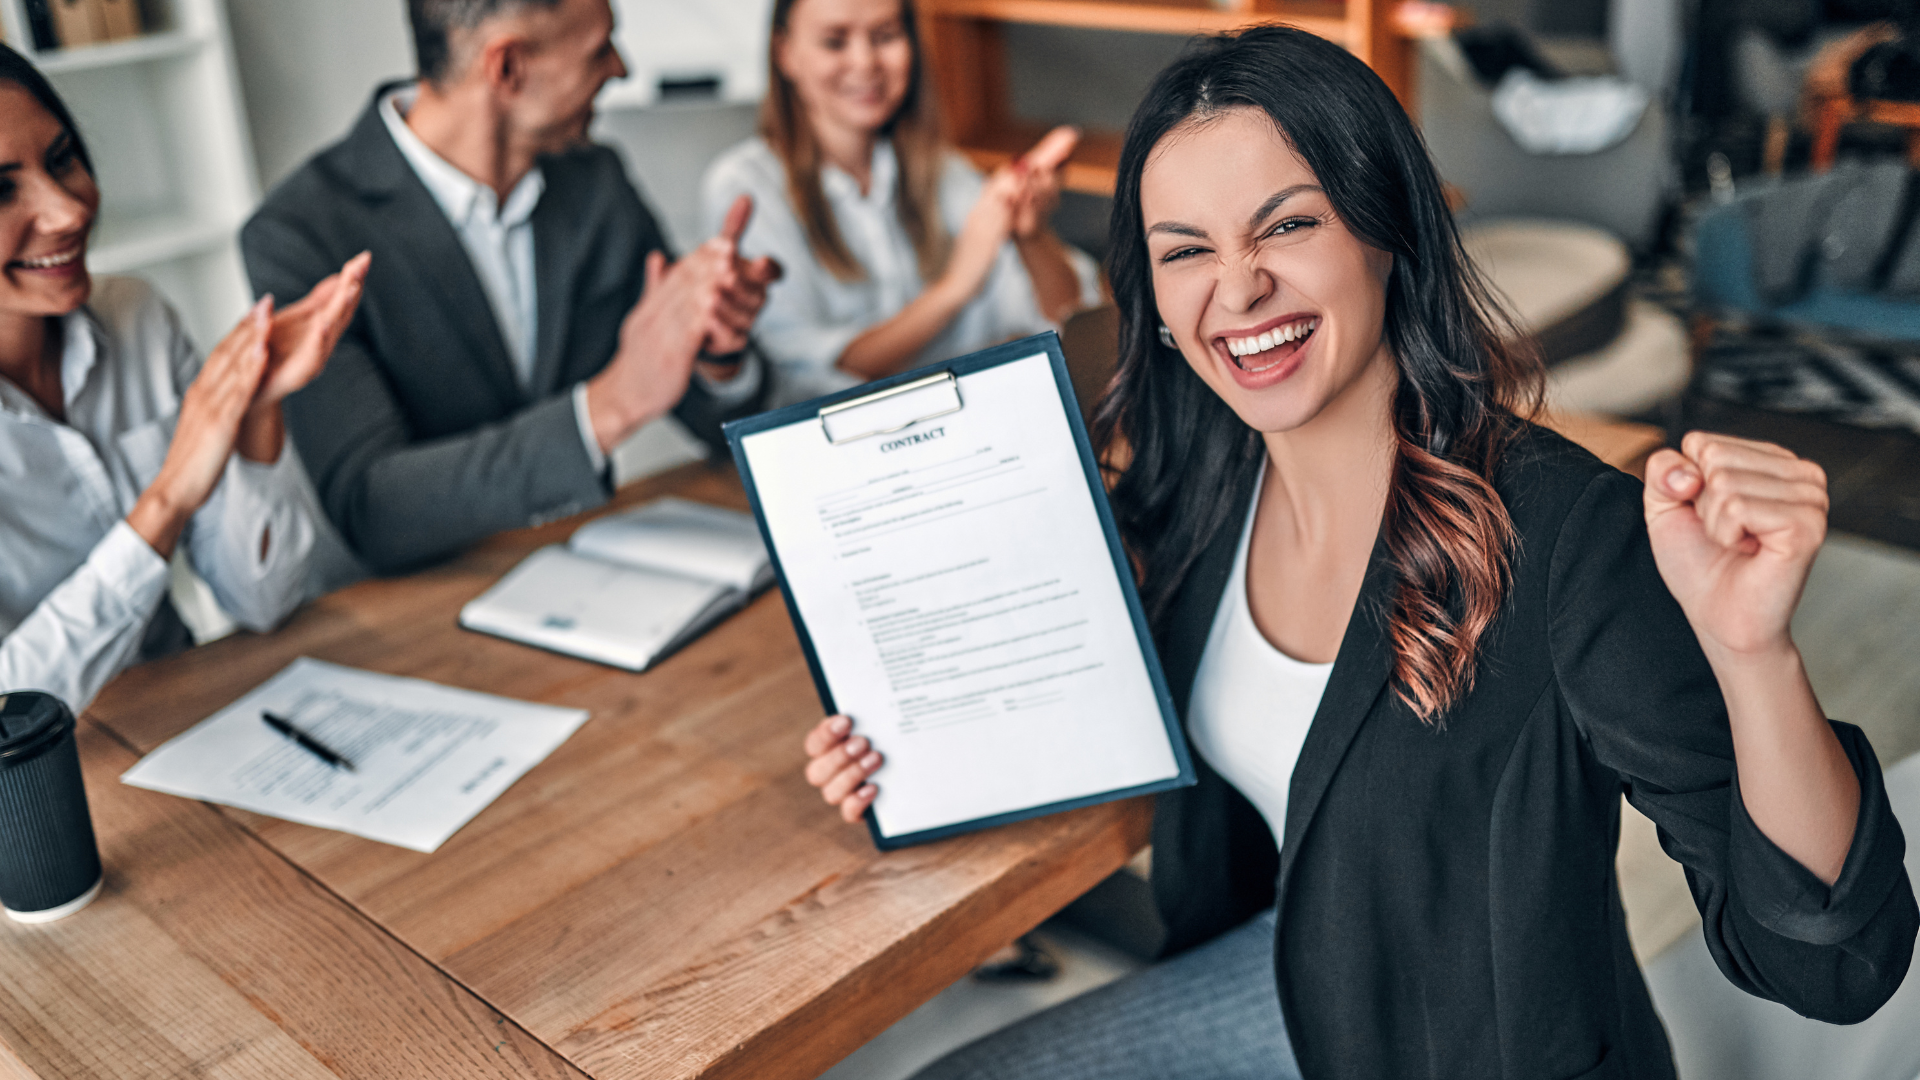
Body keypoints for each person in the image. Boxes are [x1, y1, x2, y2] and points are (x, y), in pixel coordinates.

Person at [802, 26, 1918, 1080]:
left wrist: (1756, 654)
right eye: (1186, 250)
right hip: (1296, 978)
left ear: (1389, 230)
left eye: (1287, 226)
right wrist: (903, 739)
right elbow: (1079, 683)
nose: (1238, 288)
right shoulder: (1200, 482)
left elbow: (1832, 967)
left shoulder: (1570, 538)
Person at [242, 0, 781, 576]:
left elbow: (714, 419)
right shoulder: (301, 234)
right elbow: (370, 507)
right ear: (508, 68)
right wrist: (607, 407)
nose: (620, 68)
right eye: (599, 50)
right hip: (420, 603)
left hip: (595, 571)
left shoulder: (595, 180)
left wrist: (716, 350)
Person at [0, 44, 367, 712]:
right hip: (62, 770)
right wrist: (166, 501)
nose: (69, 212)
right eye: (1, 191)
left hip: (193, 714)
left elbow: (263, 601)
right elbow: (10, 708)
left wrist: (255, 407)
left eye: (62, 160)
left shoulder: (137, 317)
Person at [700, 0, 1102, 406]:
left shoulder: (946, 172)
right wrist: (956, 286)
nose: (865, 63)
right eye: (834, 41)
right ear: (785, 53)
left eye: (885, 36)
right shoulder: (747, 187)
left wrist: (1031, 236)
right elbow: (816, 375)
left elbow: (1070, 317)